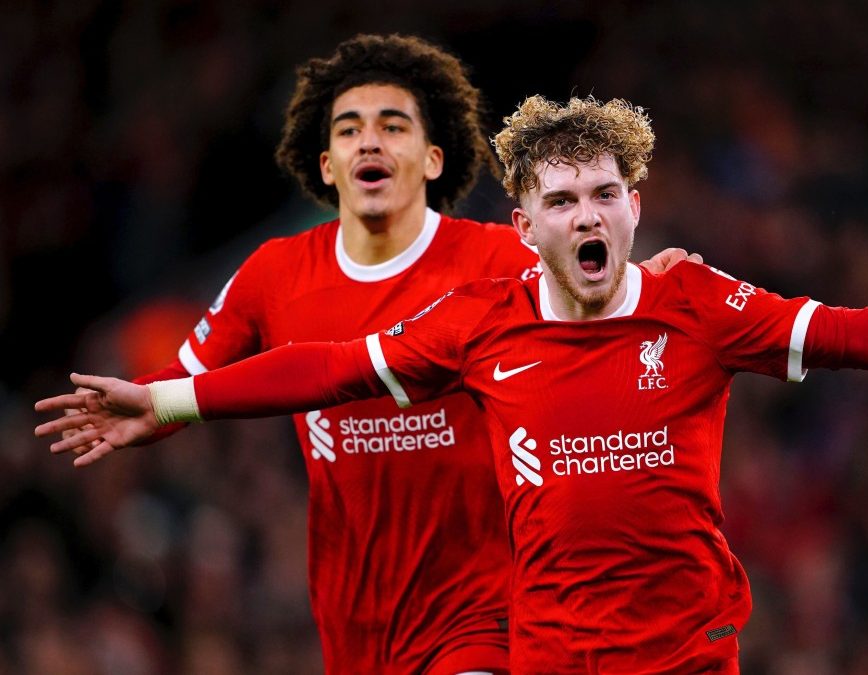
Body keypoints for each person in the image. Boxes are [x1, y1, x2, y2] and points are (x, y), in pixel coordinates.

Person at [37, 95, 868, 673]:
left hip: (687, 652)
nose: (587, 216)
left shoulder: (697, 307)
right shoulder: (479, 322)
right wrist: (172, 401)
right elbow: (330, 370)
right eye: (562, 199)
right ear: (523, 220)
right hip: (548, 654)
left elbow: (867, 334)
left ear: (635, 203)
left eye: (605, 194)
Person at [54, 39, 695, 675]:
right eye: (349, 129)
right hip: (356, 625)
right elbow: (186, 381)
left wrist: (649, 286)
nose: (370, 142)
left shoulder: (499, 262)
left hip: (486, 613)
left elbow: (598, 298)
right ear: (328, 164)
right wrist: (146, 407)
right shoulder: (273, 276)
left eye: (393, 126)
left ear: (434, 159)